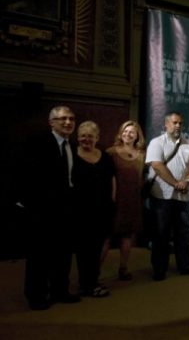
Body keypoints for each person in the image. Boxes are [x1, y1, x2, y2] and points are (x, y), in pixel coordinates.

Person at [23, 106, 81, 310]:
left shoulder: (71, 145)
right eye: (63, 118)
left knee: (63, 253)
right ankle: (36, 295)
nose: (68, 122)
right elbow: (27, 176)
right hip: (42, 210)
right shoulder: (38, 143)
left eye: (71, 118)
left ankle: (60, 290)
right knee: (40, 255)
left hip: (66, 210)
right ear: (51, 122)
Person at [145, 111, 189, 280]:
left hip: (183, 197)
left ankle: (185, 265)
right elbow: (156, 165)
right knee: (161, 234)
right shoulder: (156, 143)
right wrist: (175, 183)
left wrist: (186, 180)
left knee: (183, 233)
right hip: (162, 197)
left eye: (180, 123)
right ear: (166, 125)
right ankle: (159, 269)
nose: (178, 126)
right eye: (174, 122)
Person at [73, 121, 115, 297]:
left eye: (90, 136)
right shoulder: (71, 155)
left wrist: (112, 202)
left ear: (97, 138)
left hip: (102, 209)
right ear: (78, 137)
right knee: (83, 249)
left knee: (96, 248)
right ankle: (86, 284)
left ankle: (91, 281)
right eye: (83, 135)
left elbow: (112, 181)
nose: (86, 139)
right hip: (79, 211)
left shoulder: (105, 157)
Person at [105, 120, 146, 281]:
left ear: (137, 136)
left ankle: (123, 267)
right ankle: (93, 273)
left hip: (132, 199)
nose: (128, 134)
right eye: (125, 131)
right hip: (114, 199)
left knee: (127, 235)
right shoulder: (110, 152)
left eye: (132, 132)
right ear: (120, 133)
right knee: (106, 236)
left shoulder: (142, 155)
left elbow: (141, 178)